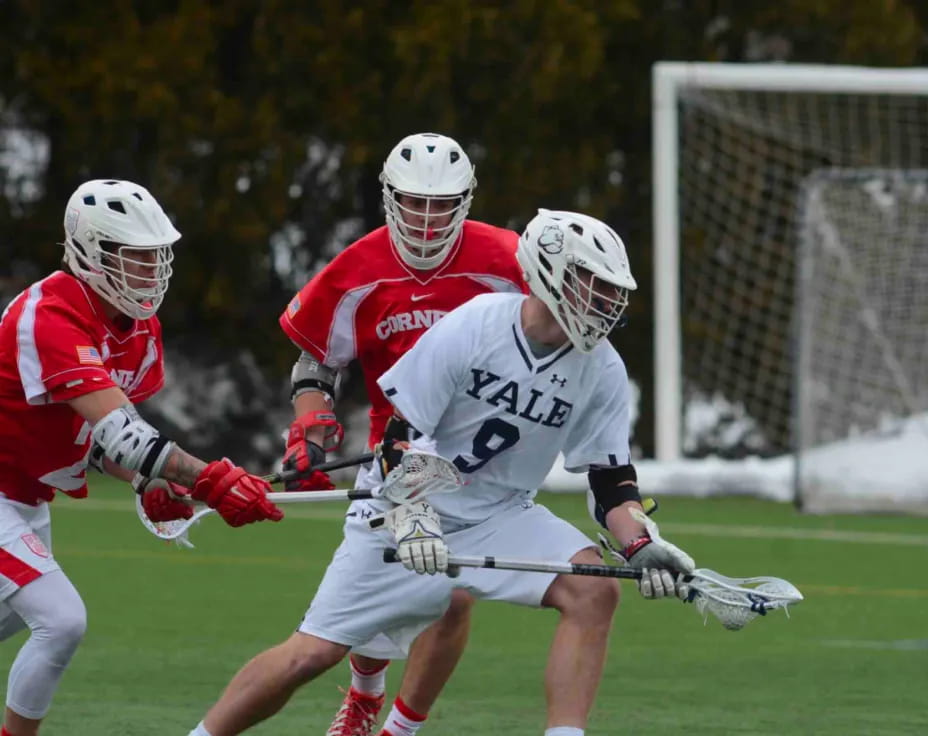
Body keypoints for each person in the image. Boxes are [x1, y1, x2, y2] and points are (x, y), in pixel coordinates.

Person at [187, 209, 695, 736]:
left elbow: (610, 481)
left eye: (612, 290)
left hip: (501, 513)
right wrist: (411, 513)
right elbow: (396, 437)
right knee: (310, 656)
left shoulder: (603, 367)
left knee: (593, 594)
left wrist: (640, 543)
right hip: (405, 504)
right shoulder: (478, 323)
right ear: (549, 274)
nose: (605, 303)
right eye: (592, 283)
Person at [0, 179, 283, 736]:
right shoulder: (49, 315)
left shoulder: (140, 328)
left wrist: (144, 483)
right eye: (134, 256)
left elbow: (106, 444)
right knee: (61, 620)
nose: (150, 269)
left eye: (156, 255)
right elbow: (127, 435)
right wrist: (212, 481)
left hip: (25, 498)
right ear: (90, 252)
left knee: (16, 617)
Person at [276, 132, 526, 735]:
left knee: (453, 590)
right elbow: (316, 359)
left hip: (485, 452)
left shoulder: (509, 261)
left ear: (465, 201)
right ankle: (364, 696)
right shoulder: (357, 268)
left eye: (442, 204)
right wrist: (308, 424)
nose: (427, 216)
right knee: (381, 593)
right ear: (390, 198)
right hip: (396, 451)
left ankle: (400, 727)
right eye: (415, 201)